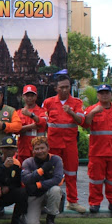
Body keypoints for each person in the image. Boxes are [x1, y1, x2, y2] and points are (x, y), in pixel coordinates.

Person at [42, 74, 86, 213]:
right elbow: (42, 121)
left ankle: (73, 202)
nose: (65, 90)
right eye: (62, 87)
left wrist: (71, 113)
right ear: (56, 88)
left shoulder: (76, 103)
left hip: (69, 144)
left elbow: (81, 121)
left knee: (71, 173)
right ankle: (48, 202)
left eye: (67, 87)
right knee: (50, 174)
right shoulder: (48, 102)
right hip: (53, 144)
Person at [83, 84, 112, 217]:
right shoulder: (92, 109)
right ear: (98, 95)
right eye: (101, 93)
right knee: (96, 180)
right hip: (97, 152)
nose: (104, 95)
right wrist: (94, 112)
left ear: (111, 94)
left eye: (107, 92)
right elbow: (85, 125)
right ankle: (95, 203)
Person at [0, 136, 29, 224]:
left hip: (7, 193)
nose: (9, 151)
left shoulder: (17, 163)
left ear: (15, 150)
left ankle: (16, 219)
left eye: (12, 149)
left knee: (23, 192)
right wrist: (4, 167)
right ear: (1, 149)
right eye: (6, 148)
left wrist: (8, 188)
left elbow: (17, 183)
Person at [21, 136, 64, 224]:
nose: (40, 151)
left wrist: (39, 185)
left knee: (56, 190)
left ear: (48, 148)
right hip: (35, 195)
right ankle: (34, 211)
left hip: (49, 193)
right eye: (37, 149)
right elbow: (25, 179)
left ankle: (50, 219)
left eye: (42, 148)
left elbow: (57, 179)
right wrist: (41, 170)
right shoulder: (28, 162)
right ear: (33, 150)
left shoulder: (56, 160)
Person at [15, 84, 47, 162]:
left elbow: (43, 123)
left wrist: (30, 115)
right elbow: (15, 130)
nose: (29, 98)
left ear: (36, 97)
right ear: (23, 96)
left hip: (39, 149)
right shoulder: (18, 113)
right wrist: (31, 126)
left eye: (32, 95)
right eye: (27, 95)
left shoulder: (42, 111)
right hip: (23, 149)